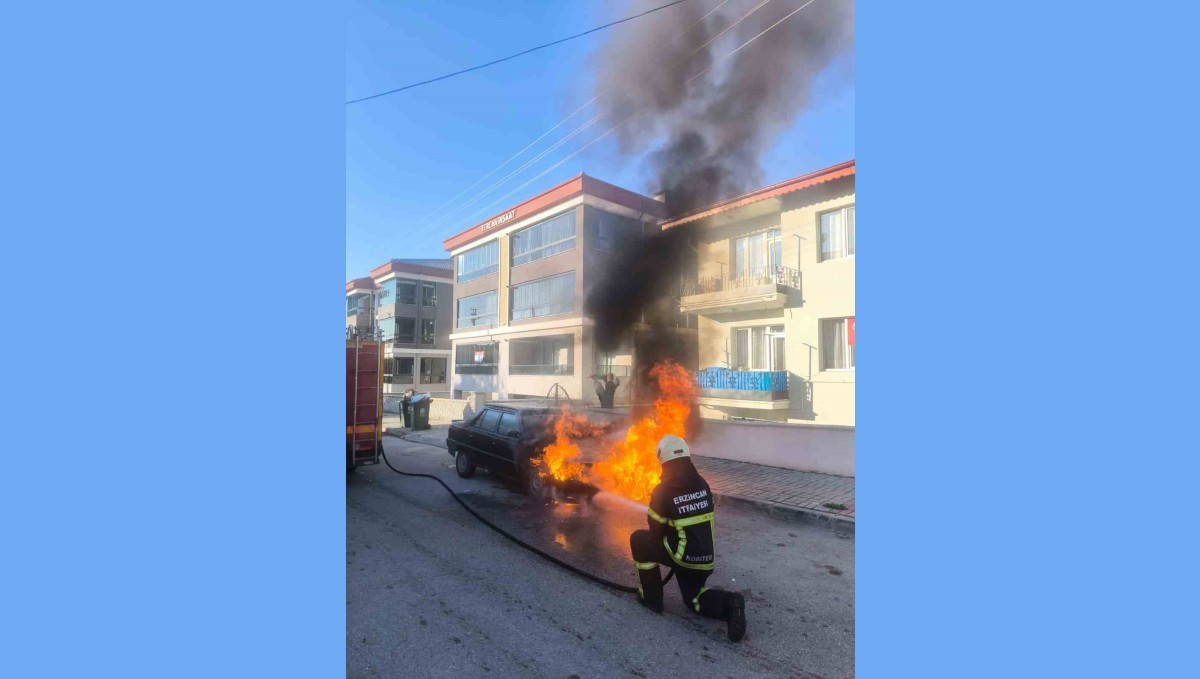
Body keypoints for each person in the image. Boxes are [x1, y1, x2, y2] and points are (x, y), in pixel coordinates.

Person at [629, 434, 747, 641]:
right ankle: (729, 604)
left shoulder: (663, 491)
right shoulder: (702, 483)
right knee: (694, 599)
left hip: (682, 556)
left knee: (639, 540)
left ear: (664, 461)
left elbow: (655, 532)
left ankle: (651, 598)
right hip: (704, 558)